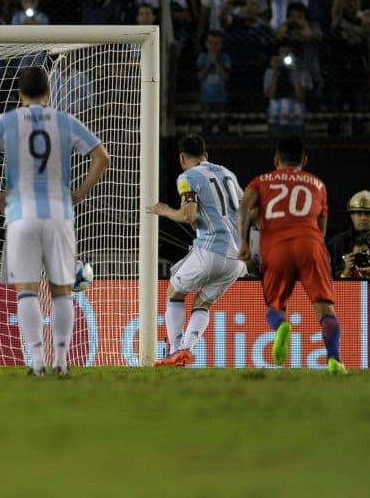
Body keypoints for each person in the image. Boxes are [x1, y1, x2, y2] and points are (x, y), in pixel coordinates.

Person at [0, 67, 110, 376]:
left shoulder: (6, 121)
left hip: (22, 215)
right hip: (59, 213)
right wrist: (80, 193)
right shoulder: (65, 121)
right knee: (61, 289)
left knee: (27, 290)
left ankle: (36, 361)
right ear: (49, 93)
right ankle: (61, 360)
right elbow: (102, 157)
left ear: (19, 95)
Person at [237, 136, 347, 374]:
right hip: (311, 243)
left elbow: (244, 205)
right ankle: (334, 360)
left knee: (274, 306)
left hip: (276, 247)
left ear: (276, 159)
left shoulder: (261, 181)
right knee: (325, 307)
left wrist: (244, 241)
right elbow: (322, 227)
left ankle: (282, 326)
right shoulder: (317, 184)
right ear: (304, 160)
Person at [148, 134, 246, 366]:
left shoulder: (187, 177)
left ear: (182, 158)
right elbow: (245, 210)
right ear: (206, 156)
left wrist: (165, 211)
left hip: (210, 250)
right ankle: (185, 350)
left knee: (174, 290)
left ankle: (174, 350)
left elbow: (187, 214)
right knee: (202, 302)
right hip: (236, 258)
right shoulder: (227, 173)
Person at [327, 190, 370, 278]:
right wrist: (345, 273)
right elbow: (324, 278)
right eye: (359, 213)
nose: (363, 218)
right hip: (344, 291)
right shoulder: (335, 244)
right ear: (352, 216)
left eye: (368, 214)